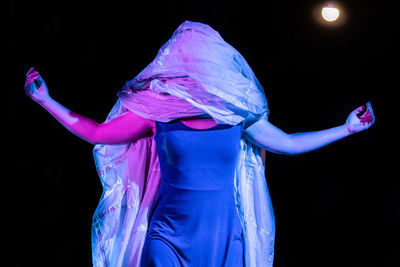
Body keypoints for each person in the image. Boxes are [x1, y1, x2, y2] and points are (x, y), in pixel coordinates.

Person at [25, 21, 374, 267]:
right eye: (186, 60)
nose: (193, 66)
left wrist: (346, 129)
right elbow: (99, 134)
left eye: (200, 61)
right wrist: (46, 100)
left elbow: (288, 143)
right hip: (168, 238)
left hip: (223, 238)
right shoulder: (157, 112)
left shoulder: (236, 116)